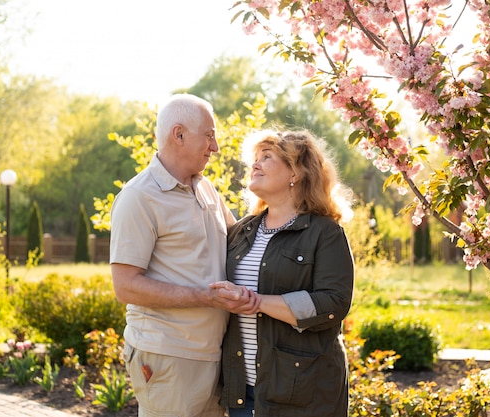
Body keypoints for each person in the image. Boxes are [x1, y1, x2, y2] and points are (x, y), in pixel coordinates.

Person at [109, 93, 258, 417]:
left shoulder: (206, 189)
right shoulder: (139, 197)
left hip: (212, 355)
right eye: (209, 135)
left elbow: (242, 240)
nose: (215, 147)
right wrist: (206, 297)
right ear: (179, 134)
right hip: (166, 357)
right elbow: (126, 286)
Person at [211, 129, 356, 416]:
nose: (255, 164)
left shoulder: (325, 233)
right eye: (254, 158)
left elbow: (334, 302)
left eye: (267, 157)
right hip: (243, 390)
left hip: (303, 393)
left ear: (296, 172)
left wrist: (258, 302)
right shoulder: (241, 232)